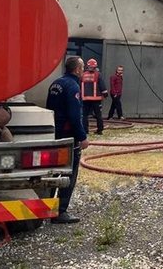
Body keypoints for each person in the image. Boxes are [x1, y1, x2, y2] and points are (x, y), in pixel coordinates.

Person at [46, 56, 90, 224]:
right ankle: (61, 211)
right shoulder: (73, 86)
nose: (84, 70)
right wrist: (82, 137)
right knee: (69, 173)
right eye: (83, 67)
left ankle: (48, 207)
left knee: (53, 172)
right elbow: (74, 115)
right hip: (67, 136)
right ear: (77, 70)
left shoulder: (56, 83)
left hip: (54, 133)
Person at [80, 58, 108, 135]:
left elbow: (79, 86)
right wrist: (105, 94)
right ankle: (99, 130)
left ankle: (85, 131)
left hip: (85, 99)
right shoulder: (98, 75)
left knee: (84, 115)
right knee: (98, 115)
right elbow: (102, 86)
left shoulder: (82, 75)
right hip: (96, 99)